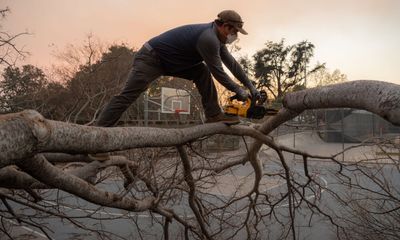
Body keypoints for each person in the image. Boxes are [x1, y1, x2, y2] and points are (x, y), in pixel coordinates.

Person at [96, 10, 260, 127]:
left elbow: (232, 65)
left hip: (172, 62)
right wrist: (239, 90)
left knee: (201, 71)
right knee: (128, 96)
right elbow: (218, 71)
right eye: (235, 32)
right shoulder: (208, 39)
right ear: (225, 26)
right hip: (151, 59)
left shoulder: (217, 39)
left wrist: (251, 87)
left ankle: (214, 115)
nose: (235, 36)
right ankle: (98, 135)